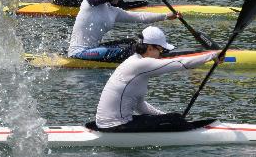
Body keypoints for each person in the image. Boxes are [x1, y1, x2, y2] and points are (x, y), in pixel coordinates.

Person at [91, 26, 223, 133]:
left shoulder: (135, 62)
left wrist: (163, 116)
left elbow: (140, 106)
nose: (161, 54)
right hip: (114, 127)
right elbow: (181, 63)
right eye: (160, 50)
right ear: (149, 48)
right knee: (175, 119)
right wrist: (212, 55)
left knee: (173, 118)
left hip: (109, 124)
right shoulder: (140, 64)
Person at [67, 0, 176, 62]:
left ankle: (157, 52)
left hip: (93, 49)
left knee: (133, 43)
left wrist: (166, 16)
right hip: (79, 53)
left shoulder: (113, 11)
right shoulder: (90, 1)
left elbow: (140, 17)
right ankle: (152, 57)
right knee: (126, 50)